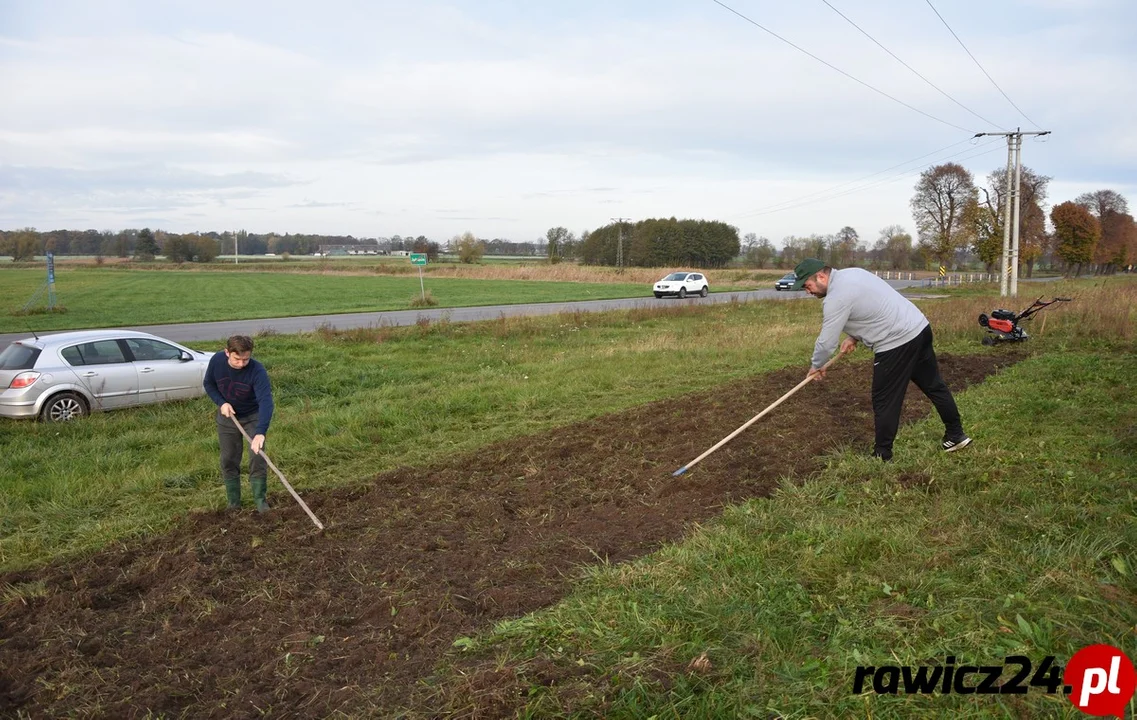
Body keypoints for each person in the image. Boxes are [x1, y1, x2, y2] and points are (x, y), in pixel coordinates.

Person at [791, 258, 971, 461]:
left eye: (808, 286)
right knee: (934, 385)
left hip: (896, 343)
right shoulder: (854, 273)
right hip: (919, 328)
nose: (808, 291)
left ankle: (882, 455)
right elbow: (874, 307)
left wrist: (816, 366)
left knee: (885, 400)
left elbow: (826, 343)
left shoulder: (836, 298)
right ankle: (956, 434)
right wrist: (854, 336)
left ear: (821, 277)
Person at [203, 335, 275, 511]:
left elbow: (266, 401)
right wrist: (222, 403)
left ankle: (260, 501)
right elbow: (208, 384)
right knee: (229, 458)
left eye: (246, 359)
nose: (242, 364)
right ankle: (234, 502)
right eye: (237, 359)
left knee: (257, 457)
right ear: (227, 352)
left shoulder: (257, 370)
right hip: (229, 417)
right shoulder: (217, 361)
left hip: (253, 416)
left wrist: (260, 432)